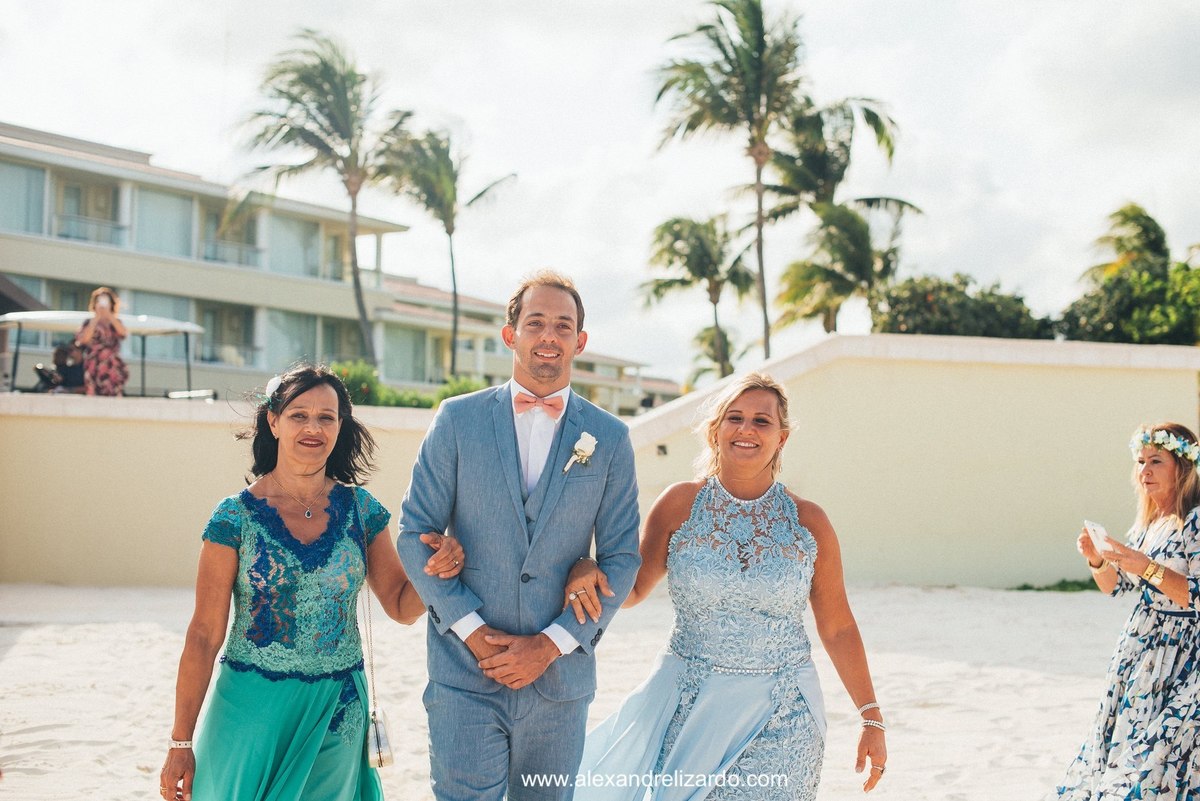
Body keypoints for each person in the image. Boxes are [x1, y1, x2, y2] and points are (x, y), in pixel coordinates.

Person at [567, 372, 887, 800]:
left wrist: (871, 716)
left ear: (782, 438)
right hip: (690, 708)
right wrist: (584, 566)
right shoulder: (679, 504)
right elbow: (634, 589)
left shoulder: (810, 522)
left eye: (762, 421)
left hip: (784, 714)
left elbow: (838, 626)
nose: (746, 430)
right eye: (735, 417)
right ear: (715, 430)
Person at [159, 364, 465, 801]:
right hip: (249, 709)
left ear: (341, 426)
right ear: (273, 421)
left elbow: (400, 605)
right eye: (299, 414)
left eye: (327, 417)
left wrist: (434, 570)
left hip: (337, 711)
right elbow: (204, 635)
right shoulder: (233, 518)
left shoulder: (362, 511)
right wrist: (180, 743)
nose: (313, 427)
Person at [396, 270, 642, 801]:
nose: (549, 336)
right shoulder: (456, 420)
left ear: (580, 340)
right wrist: (473, 633)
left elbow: (623, 559)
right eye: (536, 323)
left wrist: (549, 645)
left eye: (563, 325)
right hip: (464, 674)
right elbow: (415, 533)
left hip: (559, 683)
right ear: (510, 335)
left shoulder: (611, 438)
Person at [1056, 422, 1200, 799]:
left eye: (1156, 461)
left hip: (1185, 654)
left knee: (1163, 754)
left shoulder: (1195, 521)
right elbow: (1119, 588)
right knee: (1127, 748)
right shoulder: (1150, 521)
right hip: (1141, 653)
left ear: (1181, 468)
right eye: (1140, 461)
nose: (1145, 471)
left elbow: (1196, 595)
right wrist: (1096, 562)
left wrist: (1143, 565)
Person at [75, 286, 129, 396]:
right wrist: (96, 319)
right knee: (93, 390)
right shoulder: (89, 322)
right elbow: (84, 339)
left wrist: (109, 315)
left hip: (111, 364)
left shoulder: (115, 322)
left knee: (113, 390)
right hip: (94, 363)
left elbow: (123, 333)